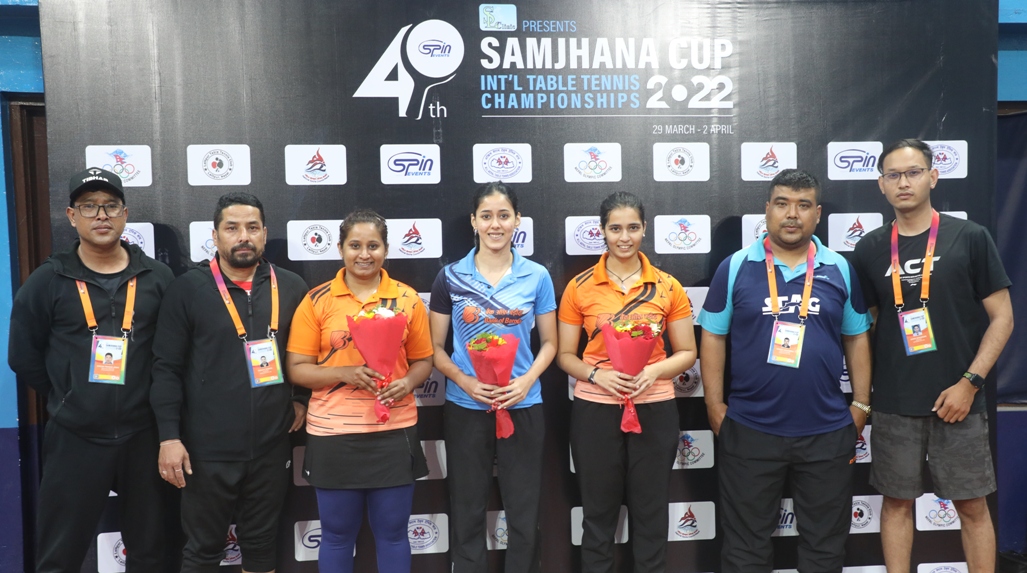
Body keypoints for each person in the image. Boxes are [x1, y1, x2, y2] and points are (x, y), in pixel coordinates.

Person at [852, 139, 1013, 573]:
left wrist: (970, 383)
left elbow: (1003, 319)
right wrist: (864, 399)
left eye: (914, 172)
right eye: (893, 175)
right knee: (896, 505)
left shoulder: (970, 237)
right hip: (894, 403)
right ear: (881, 184)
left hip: (958, 403)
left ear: (933, 177)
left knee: (973, 508)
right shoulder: (868, 248)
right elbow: (865, 326)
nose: (903, 182)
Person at [700, 169, 872, 572]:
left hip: (827, 431)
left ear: (817, 214)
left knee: (825, 549)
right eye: (782, 204)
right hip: (750, 428)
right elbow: (713, 336)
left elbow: (857, 338)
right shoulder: (735, 266)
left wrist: (861, 404)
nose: (792, 214)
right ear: (767, 210)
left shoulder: (839, 267)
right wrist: (713, 404)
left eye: (803, 205)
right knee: (744, 550)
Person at [9, 167, 175, 572]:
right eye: (89, 206)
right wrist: (71, 397)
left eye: (110, 206)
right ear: (71, 216)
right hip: (76, 437)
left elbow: (171, 356)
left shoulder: (157, 277)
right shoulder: (48, 279)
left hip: (143, 435)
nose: (101, 215)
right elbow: (22, 355)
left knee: (152, 553)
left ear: (125, 214)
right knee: (59, 555)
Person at [151, 192, 309, 573]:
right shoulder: (188, 289)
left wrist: (302, 397)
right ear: (215, 235)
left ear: (265, 234)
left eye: (252, 228)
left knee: (262, 548)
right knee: (202, 550)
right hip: (207, 452)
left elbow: (309, 354)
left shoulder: (292, 287)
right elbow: (165, 368)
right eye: (232, 228)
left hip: (271, 447)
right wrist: (169, 437)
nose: (243, 237)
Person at [286, 209, 434, 573]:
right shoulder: (317, 300)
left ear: (386, 249)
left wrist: (407, 382)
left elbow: (423, 361)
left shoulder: (408, 298)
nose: (364, 254)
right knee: (337, 536)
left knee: (394, 534)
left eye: (373, 246)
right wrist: (346, 373)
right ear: (340, 249)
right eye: (355, 246)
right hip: (333, 435)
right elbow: (297, 369)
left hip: (393, 431)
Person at [557, 191, 697, 573]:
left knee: (651, 515)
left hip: (655, 407)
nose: (624, 237)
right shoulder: (579, 287)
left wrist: (653, 372)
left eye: (633, 227)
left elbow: (687, 352)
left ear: (644, 229)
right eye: (615, 228)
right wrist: (598, 375)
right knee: (597, 517)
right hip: (595, 409)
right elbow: (565, 355)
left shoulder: (667, 286)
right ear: (602, 230)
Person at [428, 183, 558, 573]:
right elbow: (435, 348)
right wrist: (465, 382)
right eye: (486, 216)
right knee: (467, 507)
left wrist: (526, 381)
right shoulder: (450, 277)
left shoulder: (537, 276)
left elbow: (551, 343)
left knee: (524, 508)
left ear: (517, 220)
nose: (495, 225)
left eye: (504, 216)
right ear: (474, 222)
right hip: (467, 406)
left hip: (522, 404)